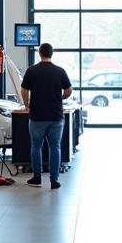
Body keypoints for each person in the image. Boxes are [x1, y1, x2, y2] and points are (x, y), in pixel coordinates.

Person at [20, 42, 72, 189]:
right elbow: (69, 90)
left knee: (36, 146)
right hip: (56, 116)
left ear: (40, 53)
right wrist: (60, 98)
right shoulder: (60, 71)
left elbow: (24, 90)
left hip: (37, 116)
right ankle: (54, 180)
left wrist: (26, 104)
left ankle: (37, 178)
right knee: (55, 147)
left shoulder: (31, 71)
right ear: (51, 54)